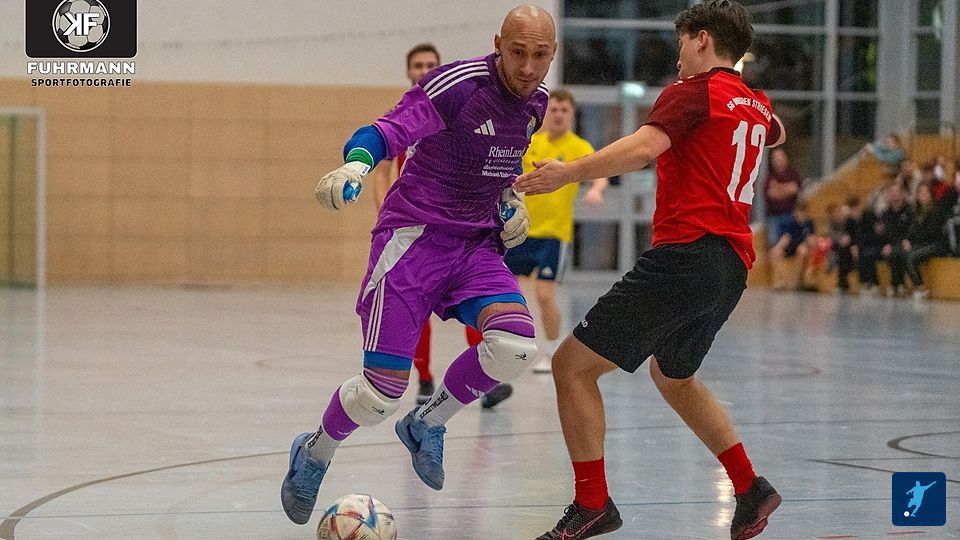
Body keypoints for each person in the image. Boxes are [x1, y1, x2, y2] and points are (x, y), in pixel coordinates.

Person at [516, 2, 784, 538]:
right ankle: (750, 487)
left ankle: (592, 503)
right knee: (674, 375)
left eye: (682, 43)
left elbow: (642, 149)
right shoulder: (756, 103)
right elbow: (774, 133)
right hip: (732, 266)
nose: (678, 56)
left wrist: (568, 173)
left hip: (686, 256)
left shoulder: (691, 92)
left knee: (571, 367)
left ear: (702, 39)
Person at [280, 5, 556, 525]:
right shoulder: (457, 86)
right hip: (413, 242)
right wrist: (355, 165)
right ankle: (314, 451)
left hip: (475, 247)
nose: (527, 67)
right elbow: (386, 131)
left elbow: (499, 162)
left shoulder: (537, 102)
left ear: (552, 55)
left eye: (539, 55)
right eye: (518, 52)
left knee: (516, 345)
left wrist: (509, 201)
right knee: (380, 394)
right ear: (498, 44)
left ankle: (428, 422)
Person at [505, 88, 608, 374]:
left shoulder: (578, 147)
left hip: (554, 236)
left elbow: (599, 174)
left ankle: (551, 351)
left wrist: (596, 190)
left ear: (572, 114)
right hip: (522, 231)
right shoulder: (532, 143)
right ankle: (509, 347)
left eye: (564, 110)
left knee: (544, 295)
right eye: (554, 109)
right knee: (505, 290)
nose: (559, 115)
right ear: (545, 112)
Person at [368, 43, 443, 405]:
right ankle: (424, 376)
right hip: (412, 225)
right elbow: (382, 171)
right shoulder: (402, 116)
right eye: (418, 65)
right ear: (408, 71)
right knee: (417, 304)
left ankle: (486, 379)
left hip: (451, 221)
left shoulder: (456, 112)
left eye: (431, 64)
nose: (425, 70)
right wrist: (387, 214)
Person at [768, 202, 816, 291]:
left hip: (801, 248)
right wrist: (777, 247)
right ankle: (779, 281)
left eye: (802, 212)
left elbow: (812, 240)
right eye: (797, 212)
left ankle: (797, 281)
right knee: (775, 253)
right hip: (790, 247)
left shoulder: (809, 224)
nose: (799, 214)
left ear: (806, 213)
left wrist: (808, 242)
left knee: (802, 250)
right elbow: (786, 238)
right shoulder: (790, 223)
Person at [763, 148, 802, 249]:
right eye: (775, 158)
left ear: (785, 158)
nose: (778, 160)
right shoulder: (769, 177)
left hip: (791, 214)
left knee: (796, 242)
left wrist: (778, 187)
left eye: (780, 157)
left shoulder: (793, 174)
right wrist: (786, 189)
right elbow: (770, 194)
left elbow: (794, 189)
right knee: (774, 244)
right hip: (774, 216)